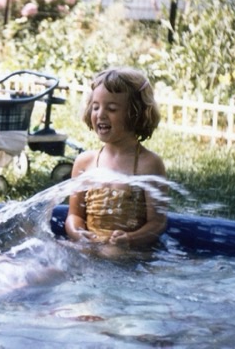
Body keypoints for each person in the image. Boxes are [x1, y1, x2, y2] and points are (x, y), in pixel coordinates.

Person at [65, 67, 167, 258]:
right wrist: (78, 233)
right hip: (87, 248)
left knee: (112, 253)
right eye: (95, 107)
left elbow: (157, 223)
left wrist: (130, 239)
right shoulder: (85, 162)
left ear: (135, 113)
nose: (100, 114)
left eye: (111, 109)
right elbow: (74, 215)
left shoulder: (149, 164)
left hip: (128, 253)